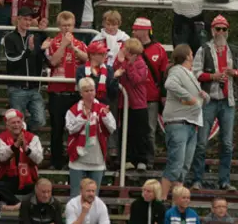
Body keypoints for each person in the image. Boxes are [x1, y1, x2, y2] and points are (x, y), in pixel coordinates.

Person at [190, 14, 238, 191]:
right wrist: (212, 76)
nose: (221, 32)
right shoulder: (204, 50)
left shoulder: (235, 50)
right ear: (212, 30)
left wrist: (235, 73)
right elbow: (195, 73)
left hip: (228, 100)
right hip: (209, 100)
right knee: (201, 142)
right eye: (218, 29)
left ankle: (224, 181)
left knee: (227, 143)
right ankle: (197, 179)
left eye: (224, 29)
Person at [161, 44, 207, 200]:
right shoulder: (177, 71)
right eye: (191, 53)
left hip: (191, 123)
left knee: (183, 167)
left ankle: (176, 203)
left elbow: (196, 98)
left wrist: (202, 96)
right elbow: (169, 84)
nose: (193, 56)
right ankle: (160, 201)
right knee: (176, 165)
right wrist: (190, 97)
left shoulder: (189, 73)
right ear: (187, 55)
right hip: (178, 122)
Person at [43, 11, 88, 170]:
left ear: (74, 26)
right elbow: (53, 61)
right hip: (57, 92)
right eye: (63, 25)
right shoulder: (52, 42)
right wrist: (63, 45)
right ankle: (56, 161)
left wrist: (73, 48)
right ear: (59, 26)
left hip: (75, 93)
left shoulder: (80, 44)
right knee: (57, 128)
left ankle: (74, 159)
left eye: (69, 25)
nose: (66, 28)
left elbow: (89, 60)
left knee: (76, 129)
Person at [66, 78, 116, 197]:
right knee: (76, 196)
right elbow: (71, 129)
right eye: (86, 90)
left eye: (92, 90)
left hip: (97, 160)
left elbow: (112, 128)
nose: (90, 93)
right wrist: (82, 117)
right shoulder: (73, 110)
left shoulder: (102, 108)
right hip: (78, 160)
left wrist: (105, 116)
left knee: (94, 196)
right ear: (81, 93)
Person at [132, 17, 168, 169]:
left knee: (150, 130)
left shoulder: (159, 49)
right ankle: (133, 160)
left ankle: (149, 161)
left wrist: (163, 95)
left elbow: (164, 74)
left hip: (151, 97)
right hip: (133, 97)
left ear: (145, 30)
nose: (133, 32)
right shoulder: (130, 47)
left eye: (136, 29)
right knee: (134, 130)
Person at [3, 7, 46, 132]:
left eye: (30, 20)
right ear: (18, 19)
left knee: (40, 120)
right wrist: (28, 50)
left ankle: (26, 134)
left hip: (33, 88)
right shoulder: (9, 37)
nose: (28, 22)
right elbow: (13, 59)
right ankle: (20, 144)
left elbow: (41, 55)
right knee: (16, 124)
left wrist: (43, 36)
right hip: (17, 88)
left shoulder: (35, 37)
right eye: (25, 19)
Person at [0, 109, 43, 203]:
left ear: (22, 123)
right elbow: (0, 157)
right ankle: (18, 204)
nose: (16, 125)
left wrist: (26, 149)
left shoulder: (33, 138)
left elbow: (38, 159)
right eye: (13, 123)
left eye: (18, 122)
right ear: (7, 125)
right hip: (7, 179)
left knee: (43, 185)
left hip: (28, 179)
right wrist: (14, 146)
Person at [114, 38, 149, 171]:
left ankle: (141, 159)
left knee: (140, 133)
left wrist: (127, 64)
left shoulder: (140, 63)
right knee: (125, 131)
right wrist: (119, 62)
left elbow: (136, 80)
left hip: (138, 103)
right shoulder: (121, 62)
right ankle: (126, 158)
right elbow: (114, 72)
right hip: (124, 103)